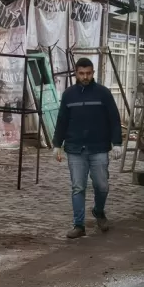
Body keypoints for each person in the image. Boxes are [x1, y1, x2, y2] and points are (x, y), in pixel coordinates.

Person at [52, 57, 123, 239]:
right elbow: (62, 121)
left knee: (102, 185)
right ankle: (79, 225)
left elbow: (114, 119)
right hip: (75, 149)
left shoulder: (103, 94)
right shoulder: (69, 95)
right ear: (76, 73)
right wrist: (56, 145)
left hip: (98, 148)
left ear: (93, 73)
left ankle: (98, 211)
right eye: (82, 73)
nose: (85, 77)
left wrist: (117, 143)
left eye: (88, 73)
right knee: (78, 187)